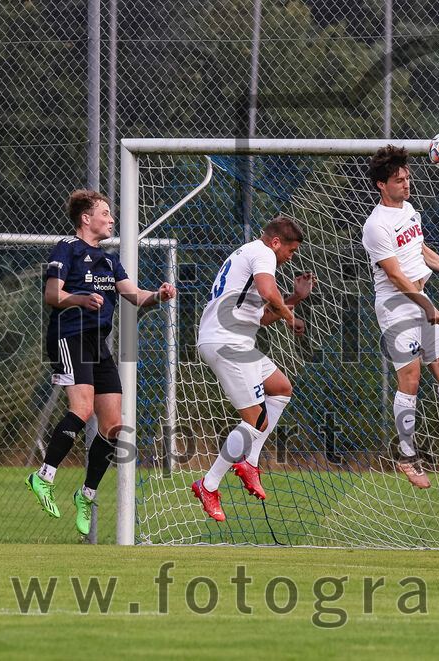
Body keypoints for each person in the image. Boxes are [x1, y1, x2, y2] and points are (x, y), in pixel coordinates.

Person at [28, 189, 176, 536]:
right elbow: (53, 294)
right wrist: (80, 298)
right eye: (106, 213)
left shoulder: (109, 261)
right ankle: (43, 476)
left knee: (114, 426)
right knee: (81, 410)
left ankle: (86, 493)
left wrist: (159, 295)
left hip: (98, 345)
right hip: (70, 337)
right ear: (86, 218)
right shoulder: (68, 248)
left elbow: (136, 297)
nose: (111, 219)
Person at [362, 145, 439, 489]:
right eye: (399, 180)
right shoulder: (375, 225)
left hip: (420, 297)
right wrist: (427, 306)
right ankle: (408, 456)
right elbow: (396, 276)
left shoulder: (410, 210)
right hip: (396, 305)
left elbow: (420, 250)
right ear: (382, 185)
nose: (406, 184)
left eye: (407, 178)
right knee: (410, 378)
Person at [192, 215, 316, 521]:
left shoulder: (246, 253)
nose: (290, 257)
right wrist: (290, 316)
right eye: (290, 251)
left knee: (281, 388)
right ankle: (208, 485)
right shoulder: (261, 253)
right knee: (255, 421)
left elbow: (259, 317)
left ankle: (250, 461)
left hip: (235, 341)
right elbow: (266, 291)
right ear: (275, 242)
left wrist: (295, 299)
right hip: (227, 343)